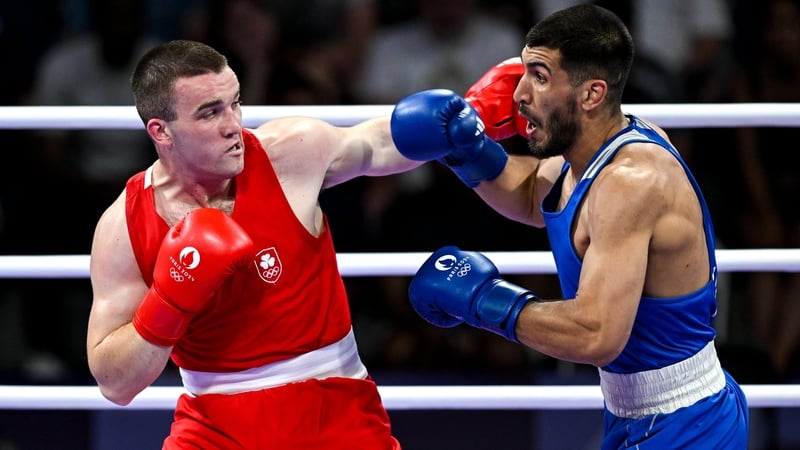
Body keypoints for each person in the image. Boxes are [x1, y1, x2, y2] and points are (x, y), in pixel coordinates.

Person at [389, 4, 749, 448]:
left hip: (686, 422)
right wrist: (467, 150)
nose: (519, 93)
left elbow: (596, 333)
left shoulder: (629, 182)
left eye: (539, 76)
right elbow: (528, 194)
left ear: (592, 94)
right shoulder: (593, 153)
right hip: (641, 413)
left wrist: (482, 301)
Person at [85, 39, 425, 449]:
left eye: (235, 103)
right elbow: (115, 384)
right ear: (161, 131)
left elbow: (381, 144)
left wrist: (470, 120)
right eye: (210, 113)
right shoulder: (124, 225)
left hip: (335, 409)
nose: (234, 125)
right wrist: (170, 299)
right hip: (212, 428)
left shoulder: (287, 153)